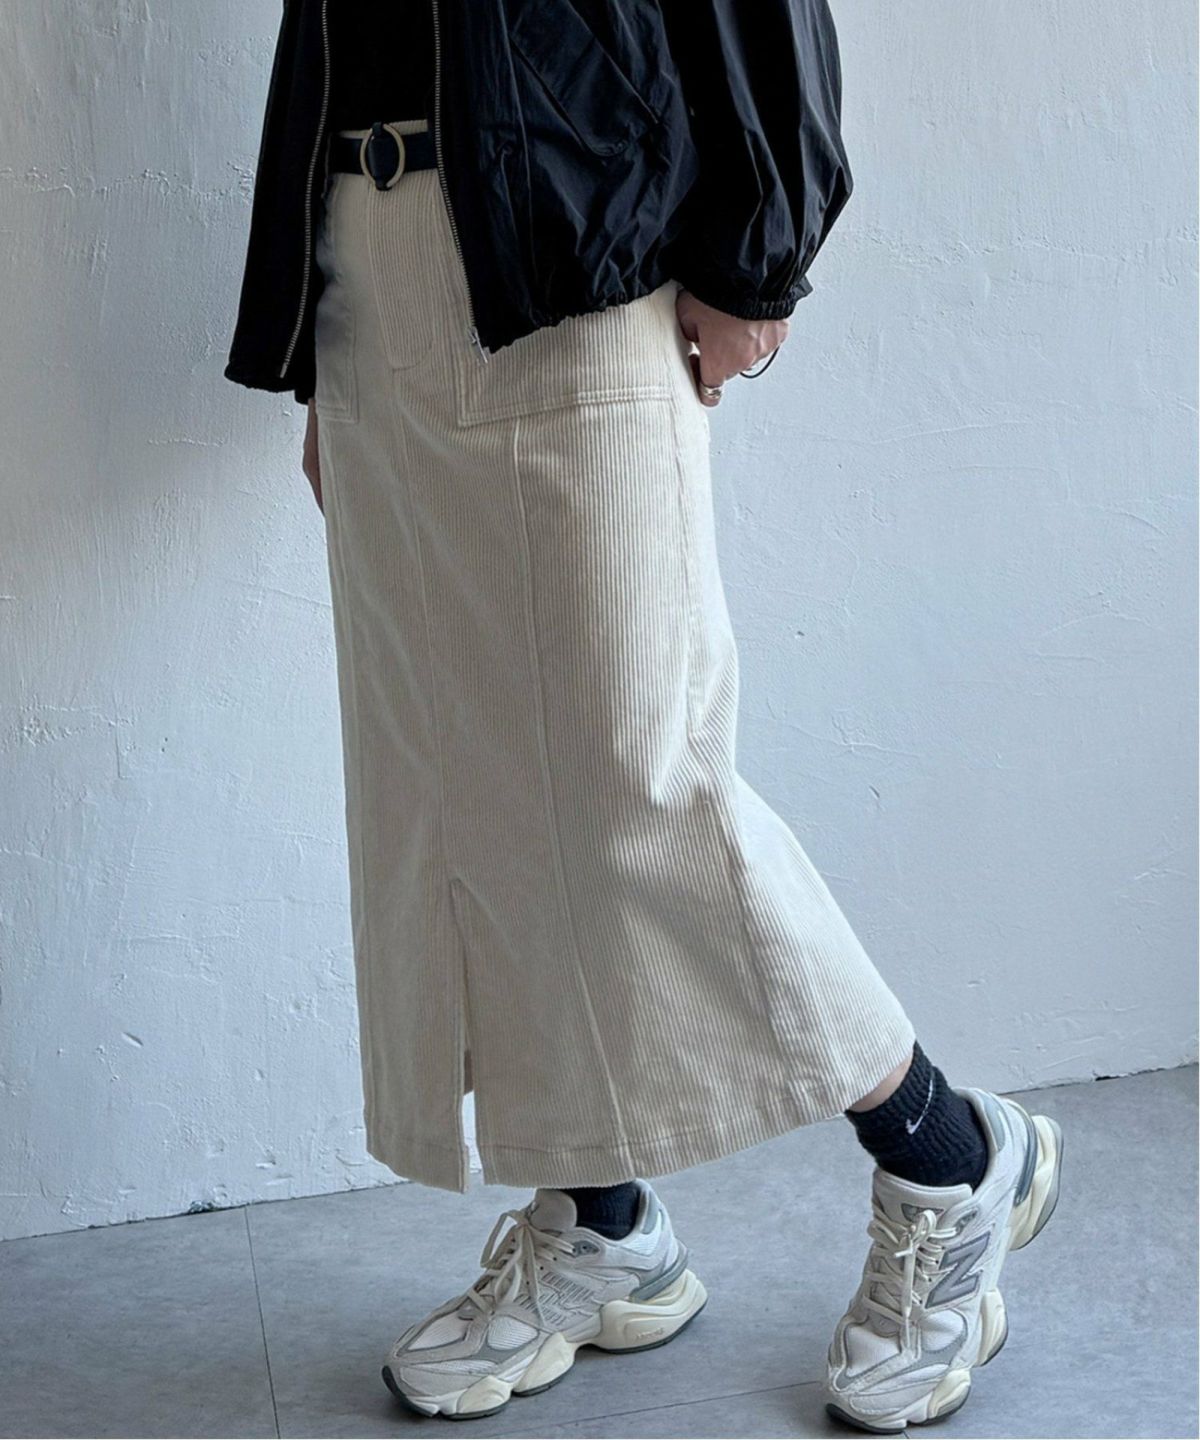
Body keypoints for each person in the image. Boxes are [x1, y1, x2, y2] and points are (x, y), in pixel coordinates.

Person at [224, 2, 1065, 1432]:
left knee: (640, 781)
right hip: (370, 255)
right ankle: (603, 1223)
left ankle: (950, 1153)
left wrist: (758, 256)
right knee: (460, 779)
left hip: (578, 241)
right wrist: (322, 335)